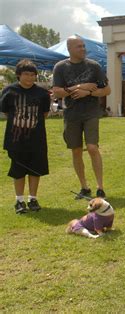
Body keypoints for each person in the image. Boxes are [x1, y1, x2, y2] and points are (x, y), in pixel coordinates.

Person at [52, 36, 111, 199]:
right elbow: (56, 91)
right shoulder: (60, 67)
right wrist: (79, 87)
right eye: (79, 46)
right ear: (69, 48)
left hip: (91, 113)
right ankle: (84, 187)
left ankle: (100, 187)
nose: (83, 49)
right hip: (71, 114)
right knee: (76, 151)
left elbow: (106, 90)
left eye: (84, 46)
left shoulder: (94, 66)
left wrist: (89, 92)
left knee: (92, 148)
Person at [1, 59, 50, 214]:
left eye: (32, 75)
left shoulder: (42, 93)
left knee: (35, 169)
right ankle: (19, 201)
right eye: (26, 74)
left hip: (36, 140)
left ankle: (33, 198)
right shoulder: (9, 91)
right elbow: (6, 112)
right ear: (18, 75)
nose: (29, 78)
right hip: (15, 139)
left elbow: (45, 113)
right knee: (18, 170)